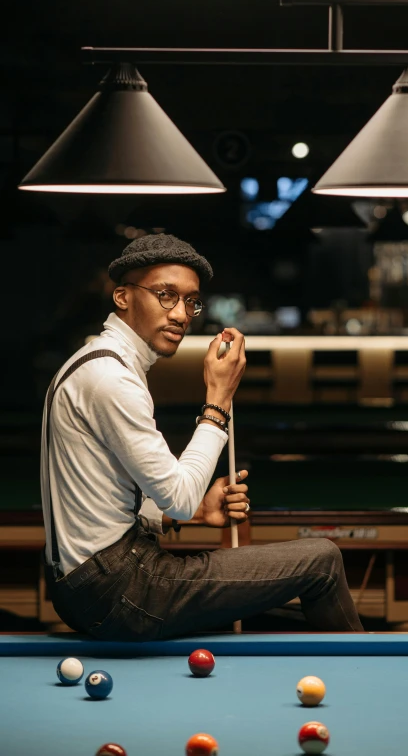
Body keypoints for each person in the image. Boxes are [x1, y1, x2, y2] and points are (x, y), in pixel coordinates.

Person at [42, 233, 363, 640]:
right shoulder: (110, 377)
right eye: (165, 295)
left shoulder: (95, 363)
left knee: (282, 624)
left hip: (89, 587)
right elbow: (178, 495)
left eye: (190, 301)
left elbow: (103, 500)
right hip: (119, 587)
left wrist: (195, 513)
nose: (181, 314)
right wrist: (219, 399)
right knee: (322, 560)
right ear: (122, 297)